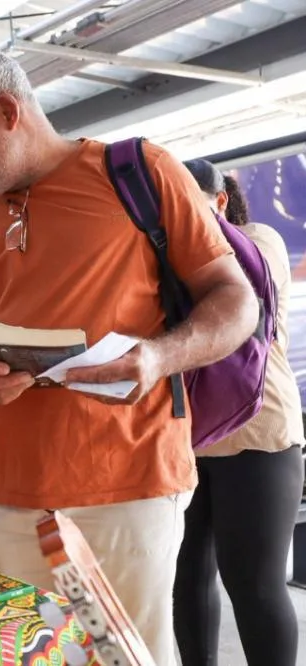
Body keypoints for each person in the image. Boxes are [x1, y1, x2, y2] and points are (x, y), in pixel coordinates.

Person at [0, 48, 258, 664]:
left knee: (129, 655)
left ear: (6, 109)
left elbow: (236, 301)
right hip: (6, 494)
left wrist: (158, 357)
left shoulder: (139, 172)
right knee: (16, 652)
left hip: (130, 481)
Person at [173, 160, 304, 666]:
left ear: (220, 201)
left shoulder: (259, 238)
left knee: (254, 585)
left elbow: (244, 284)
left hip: (260, 439)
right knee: (189, 579)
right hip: (192, 440)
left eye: (189, 204)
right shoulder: (170, 256)